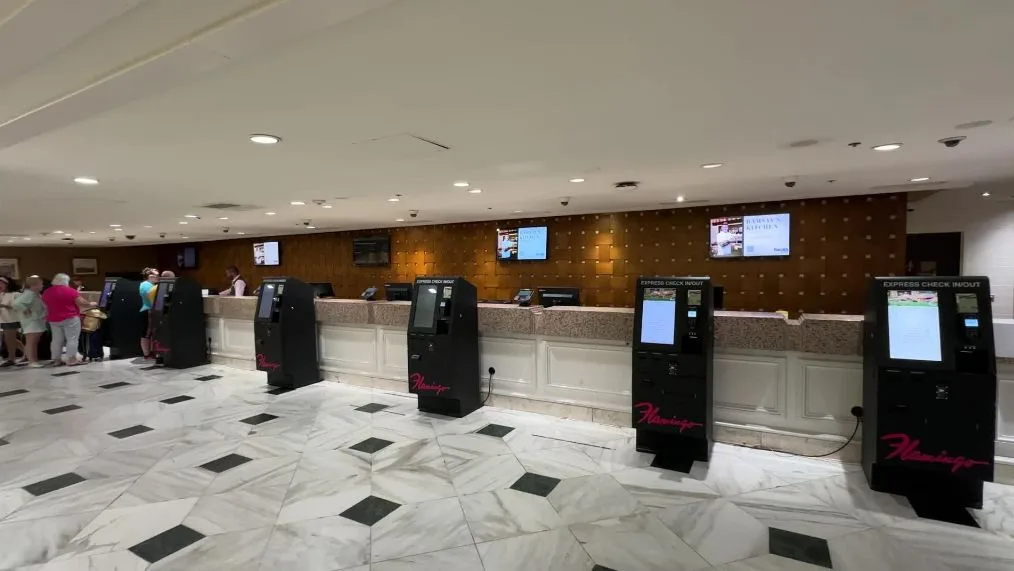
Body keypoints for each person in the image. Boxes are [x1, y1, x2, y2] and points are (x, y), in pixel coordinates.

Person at [42, 273, 95, 366]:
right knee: (72, 339)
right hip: (70, 318)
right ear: (66, 281)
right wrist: (91, 304)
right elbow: (81, 303)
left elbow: (45, 306)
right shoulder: (70, 291)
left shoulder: (47, 292)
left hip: (53, 319)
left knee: (56, 340)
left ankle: (56, 360)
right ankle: (71, 360)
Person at [13, 276, 47, 367]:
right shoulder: (29, 294)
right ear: (33, 285)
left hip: (36, 320)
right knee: (31, 342)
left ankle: (34, 360)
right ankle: (31, 361)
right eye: (41, 284)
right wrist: (25, 309)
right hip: (31, 321)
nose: (42, 285)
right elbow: (16, 303)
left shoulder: (35, 294)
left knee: (34, 342)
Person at [0, 276, 24, 366]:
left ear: (7, 284)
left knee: (9, 339)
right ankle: (25, 354)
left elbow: (19, 307)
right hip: (3, 320)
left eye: (1, 283)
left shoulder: (15, 294)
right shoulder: (1, 294)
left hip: (12, 319)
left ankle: (11, 358)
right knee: (11, 339)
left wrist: (4, 306)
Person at [139, 268, 159, 359]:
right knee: (147, 332)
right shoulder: (148, 286)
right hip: (148, 310)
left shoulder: (145, 284)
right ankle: (147, 353)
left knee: (148, 332)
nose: (159, 278)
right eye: (157, 276)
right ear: (150, 276)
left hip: (147, 309)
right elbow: (151, 297)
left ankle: (148, 352)